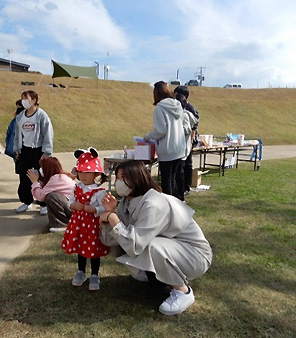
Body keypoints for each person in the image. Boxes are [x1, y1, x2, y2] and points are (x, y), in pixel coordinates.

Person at [99, 160, 212, 315]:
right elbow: (113, 241)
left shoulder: (154, 203)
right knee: (129, 243)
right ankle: (160, 278)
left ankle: (182, 291)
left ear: (137, 177)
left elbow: (134, 244)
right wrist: (106, 223)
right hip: (173, 249)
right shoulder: (126, 203)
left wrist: (112, 217)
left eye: (123, 177)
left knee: (150, 245)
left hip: (195, 256)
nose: (118, 182)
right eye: (117, 177)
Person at [61, 148, 109, 291]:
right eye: (81, 172)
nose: (83, 175)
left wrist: (95, 210)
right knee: (81, 248)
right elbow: (70, 202)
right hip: (79, 224)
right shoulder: (76, 188)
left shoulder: (100, 192)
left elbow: (105, 208)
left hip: (93, 225)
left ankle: (95, 274)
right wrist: (73, 205)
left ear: (96, 174)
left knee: (93, 249)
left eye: (87, 172)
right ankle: (81, 271)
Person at [13, 90, 54, 215]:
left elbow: (48, 134)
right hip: (25, 150)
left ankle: (42, 203)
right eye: (22, 99)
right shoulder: (20, 117)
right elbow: (17, 135)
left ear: (34, 100)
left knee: (40, 177)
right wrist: (17, 149)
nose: (23, 101)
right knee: (24, 177)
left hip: (38, 150)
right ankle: (26, 201)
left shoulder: (41, 115)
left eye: (26, 98)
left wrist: (46, 152)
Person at [144, 81, 186, 198]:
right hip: (179, 148)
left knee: (167, 182)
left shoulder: (160, 108)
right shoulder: (178, 105)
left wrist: (147, 137)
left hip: (167, 149)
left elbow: (160, 131)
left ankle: (169, 208)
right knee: (173, 179)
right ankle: (176, 204)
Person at [27, 156, 75, 232]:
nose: (41, 169)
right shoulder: (59, 176)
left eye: (42, 167)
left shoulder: (56, 178)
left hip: (74, 210)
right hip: (73, 208)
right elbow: (45, 189)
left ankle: (61, 224)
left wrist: (35, 182)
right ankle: (62, 222)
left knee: (51, 197)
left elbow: (40, 196)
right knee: (51, 196)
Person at [174, 85, 200, 196]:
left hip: (188, 139)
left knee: (187, 164)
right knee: (181, 165)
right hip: (180, 141)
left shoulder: (190, 108)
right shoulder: (177, 106)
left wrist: (190, 141)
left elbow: (194, 127)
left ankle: (186, 187)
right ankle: (180, 187)